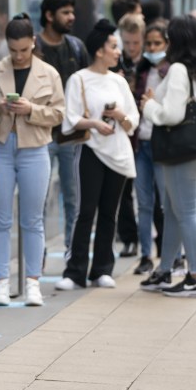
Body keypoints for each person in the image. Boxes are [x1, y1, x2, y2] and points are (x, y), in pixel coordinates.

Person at [0, 13, 65, 306]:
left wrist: (31, 110)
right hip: (0, 146)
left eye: (24, 49)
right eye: (13, 50)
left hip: (35, 148)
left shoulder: (49, 73)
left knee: (32, 219)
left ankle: (32, 283)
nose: (19, 55)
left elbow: (60, 114)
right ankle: (2, 283)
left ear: (33, 43)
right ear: (6, 46)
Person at [139, 16, 196, 297]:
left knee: (185, 213)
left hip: (180, 152)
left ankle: (195, 276)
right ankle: (165, 270)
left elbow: (171, 114)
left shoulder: (178, 69)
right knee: (175, 212)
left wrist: (149, 107)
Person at [55, 19, 139, 291]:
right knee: (86, 211)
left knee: (109, 213)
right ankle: (75, 271)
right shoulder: (79, 79)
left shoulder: (119, 81)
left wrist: (119, 116)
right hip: (91, 150)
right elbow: (71, 118)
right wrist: (95, 124)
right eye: (114, 47)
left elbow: (133, 120)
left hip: (118, 151)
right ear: (100, 50)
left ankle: (102, 269)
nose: (118, 52)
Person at [36, 0, 90, 252]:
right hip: (40, 133)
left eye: (72, 12)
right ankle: (39, 253)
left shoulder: (77, 47)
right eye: (65, 12)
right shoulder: (33, 48)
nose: (72, 17)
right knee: (40, 199)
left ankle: (73, 253)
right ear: (49, 15)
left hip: (71, 135)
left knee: (73, 197)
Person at [132, 20, 171, 275]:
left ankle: (171, 254)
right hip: (141, 143)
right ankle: (145, 254)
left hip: (163, 145)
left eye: (158, 43)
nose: (153, 48)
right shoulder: (142, 71)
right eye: (149, 43)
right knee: (144, 203)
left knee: (166, 203)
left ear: (167, 45)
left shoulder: (172, 74)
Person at [114, 13, 145, 258]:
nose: (132, 48)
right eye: (128, 43)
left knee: (147, 192)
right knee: (123, 191)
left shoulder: (151, 63)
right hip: (122, 135)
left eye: (136, 43)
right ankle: (129, 238)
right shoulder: (116, 62)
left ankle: (151, 238)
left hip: (145, 134)